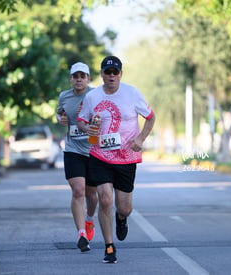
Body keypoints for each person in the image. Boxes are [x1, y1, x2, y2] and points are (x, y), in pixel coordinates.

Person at [77, 56, 155, 264]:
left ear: (120, 74)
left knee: (124, 207)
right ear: (102, 74)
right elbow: (82, 120)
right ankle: (109, 247)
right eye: (107, 72)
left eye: (115, 72)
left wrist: (141, 138)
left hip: (127, 157)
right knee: (105, 199)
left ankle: (121, 219)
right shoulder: (93, 97)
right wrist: (87, 129)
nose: (111, 76)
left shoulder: (132, 93)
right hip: (100, 155)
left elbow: (151, 116)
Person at [56, 62, 98, 252]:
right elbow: (60, 114)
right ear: (71, 79)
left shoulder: (96, 95)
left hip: (93, 150)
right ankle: (81, 233)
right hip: (73, 150)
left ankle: (89, 220)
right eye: (76, 76)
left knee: (93, 195)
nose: (79, 79)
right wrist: (60, 119)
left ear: (88, 79)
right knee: (78, 190)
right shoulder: (64, 96)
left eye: (83, 76)